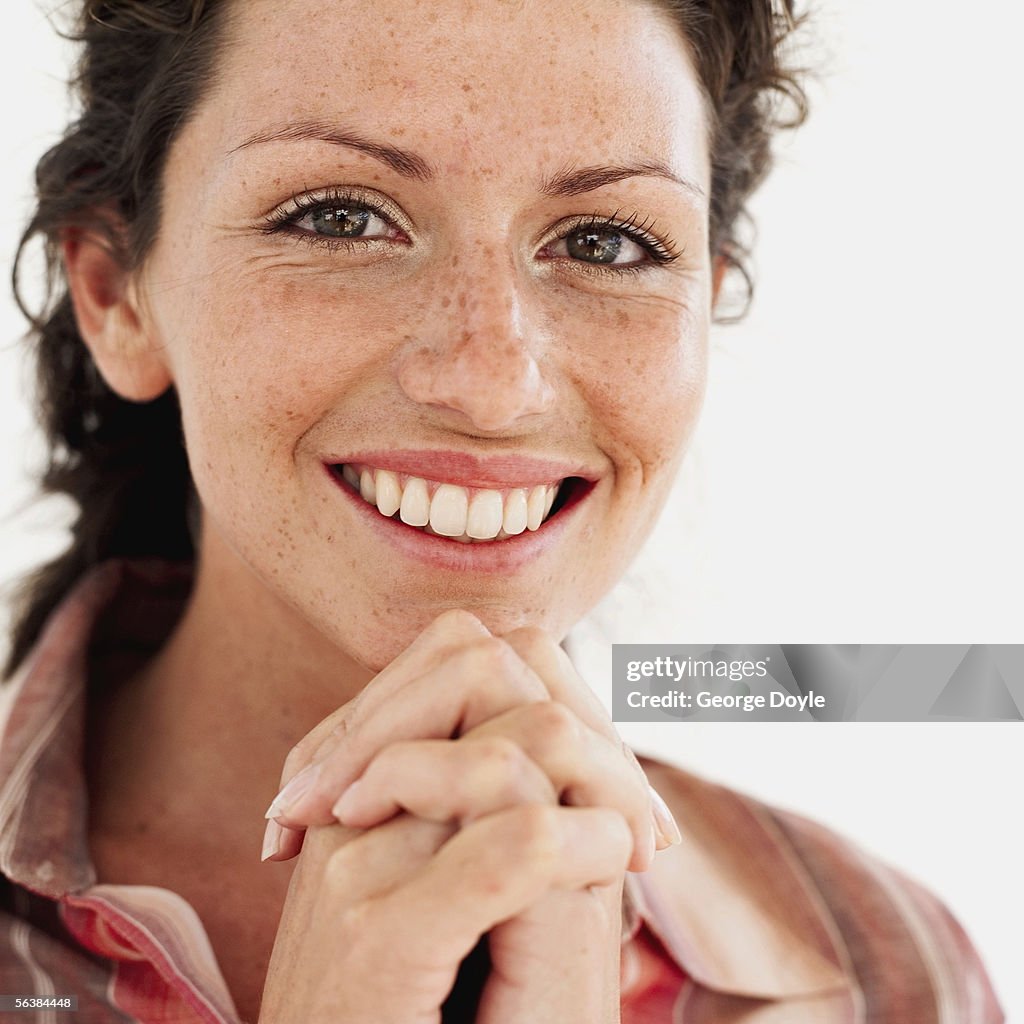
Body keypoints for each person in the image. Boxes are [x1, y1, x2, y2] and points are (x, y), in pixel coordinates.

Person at [0, 0, 1004, 1021]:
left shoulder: (893, 977)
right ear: (114, 294)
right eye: (339, 217)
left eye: (608, 243)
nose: (490, 383)